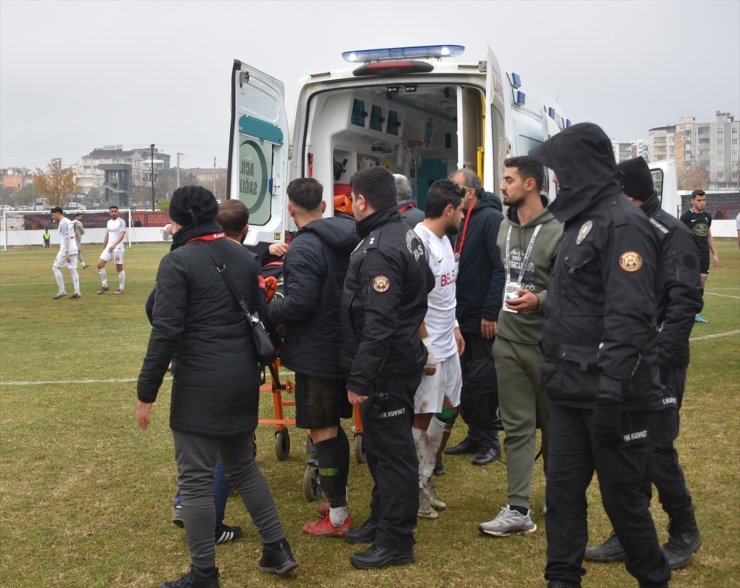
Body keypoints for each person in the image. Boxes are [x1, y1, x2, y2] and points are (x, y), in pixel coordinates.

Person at [529, 123, 670, 587]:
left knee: (624, 502)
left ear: (582, 168)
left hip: (613, 396)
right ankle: (561, 579)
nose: (557, 182)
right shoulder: (580, 222)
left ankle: (653, 578)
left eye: (561, 171)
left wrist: (611, 394)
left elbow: (629, 317)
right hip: (569, 392)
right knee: (562, 496)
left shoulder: (624, 225)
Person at [136, 186, 296, 588]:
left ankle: (204, 573)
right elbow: (261, 314)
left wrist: (146, 390)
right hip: (242, 375)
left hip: (201, 382)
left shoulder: (178, 262)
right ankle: (277, 548)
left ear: (179, 219)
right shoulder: (243, 256)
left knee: (195, 479)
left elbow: (164, 329)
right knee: (243, 467)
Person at [586, 157, 703, 570]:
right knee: (626, 449)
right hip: (624, 360)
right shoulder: (624, 229)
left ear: (628, 194)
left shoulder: (672, 233)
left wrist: (661, 367)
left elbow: (685, 303)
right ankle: (628, 530)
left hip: (658, 365)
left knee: (656, 450)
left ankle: (684, 530)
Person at [341, 166, 433, 570]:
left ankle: (396, 540)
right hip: (396, 357)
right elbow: (426, 282)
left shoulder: (380, 247)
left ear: (362, 201)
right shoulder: (404, 232)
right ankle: (381, 520)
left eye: (351, 200)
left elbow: (378, 323)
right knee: (379, 448)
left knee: (393, 454)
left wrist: (361, 377)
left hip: (387, 365)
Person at [263, 178, 359, 538]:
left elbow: (300, 302)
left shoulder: (304, 247)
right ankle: (339, 500)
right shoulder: (347, 235)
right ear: (323, 203)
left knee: (324, 432)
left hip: (317, 351)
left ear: (290, 209)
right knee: (333, 428)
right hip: (344, 344)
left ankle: (337, 516)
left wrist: (270, 309)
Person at [478, 156, 562, 537]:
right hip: (509, 341)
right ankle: (518, 508)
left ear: (531, 185)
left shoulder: (559, 232)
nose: (503, 185)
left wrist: (540, 300)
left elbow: (573, 292)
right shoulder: (502, 229)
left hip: (547, 345)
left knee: (557, 428)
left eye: (509, 179)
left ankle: (560, 496)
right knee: (516, 428)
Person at [411, 180, 465, 520]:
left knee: (450, 409)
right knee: (422, 415)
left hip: (449, 343)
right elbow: (413, 302)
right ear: (448, 210)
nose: (462, 215)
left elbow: (447, 292)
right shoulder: (418, 244)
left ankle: (427, 476)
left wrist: (456, 326)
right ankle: (413, 487)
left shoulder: (445, 240)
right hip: (429, 346)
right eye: (460, 210)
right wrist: (426, 345)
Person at [444, 168, 505, 466]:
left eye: (455, 189)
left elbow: (500, 268)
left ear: (470, 192)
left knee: (484, 378)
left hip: (482, 314)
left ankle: (491, 439)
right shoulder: (458, 219)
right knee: (466, 378)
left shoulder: (491, 219)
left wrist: (491, 311)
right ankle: (475, 432)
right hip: (462, 312)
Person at [679, 189, 718, 323]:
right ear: (692, 201)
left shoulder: (707, 217)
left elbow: (708, 235)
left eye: (704, 200)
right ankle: (685, 310)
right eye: (699, 200)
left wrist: (715, 254)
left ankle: (695, 313)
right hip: (690, 256)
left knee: (701, 282)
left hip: (704, 255)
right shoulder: (685, 217)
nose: (702, 203)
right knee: (690, 283)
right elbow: (680, 237)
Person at [50, 206, 81, 299]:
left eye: (53, 215)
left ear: (57, 213)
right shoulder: (69, 221)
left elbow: (67, 237)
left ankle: (62, 290)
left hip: (66, 249)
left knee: (55, 267)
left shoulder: (63, 223)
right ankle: (77, 291)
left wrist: (67, 252)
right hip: (74, 248)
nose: (53, 217)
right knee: (73, 269)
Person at [97, 205, 127, 294]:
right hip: (108, 248)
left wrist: (114, 245)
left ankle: (121, 289)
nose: (113, 213)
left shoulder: (121, 222)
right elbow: (107, 235)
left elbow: (122, 235)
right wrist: (104, 247)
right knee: (99, 265)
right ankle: (105, 286)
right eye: (112, 211)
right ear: (109, 212)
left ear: (118, 212)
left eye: (115, 211)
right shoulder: (108, 222)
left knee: (119, 268)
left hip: (118, 248)